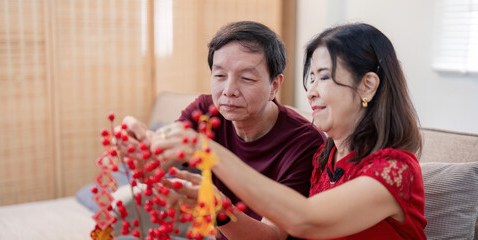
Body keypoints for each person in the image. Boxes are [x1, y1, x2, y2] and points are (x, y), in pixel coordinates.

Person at [155, 23, 427, 239]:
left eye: (323, 76)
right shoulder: (324, 159)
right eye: (310, 78)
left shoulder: (396, 169)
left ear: (368, 85)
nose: (311, 92)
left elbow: (304, 218)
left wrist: (206, 150)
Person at [119, 21, 325, 240]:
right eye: (219, 76)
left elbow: (272, 236)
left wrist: (219, 211)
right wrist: (137, 142)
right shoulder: (205, 112)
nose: (229, 91)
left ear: (274, 86)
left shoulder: (305, 143)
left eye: (246, 78)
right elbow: (152, 165)